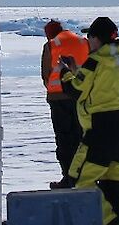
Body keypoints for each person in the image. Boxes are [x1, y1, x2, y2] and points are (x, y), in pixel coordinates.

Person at [59, 16, 119, 225]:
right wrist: (77, 71)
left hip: (102, 130)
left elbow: (75, 90)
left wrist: (64, 73)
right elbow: (98, 84)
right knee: (116, 184)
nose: (87, 42)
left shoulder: (94, 61)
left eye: (89, 37)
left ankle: (110, 220)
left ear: (97, 38)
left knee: (80, 183)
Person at [39, 19, 90, 187]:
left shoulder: (51, 45)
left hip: (58, 99)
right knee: (81, 138)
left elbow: (46, 74)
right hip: (81, 96)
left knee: (64, 140)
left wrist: (52, 87)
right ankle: (85, 176)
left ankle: (68, 178)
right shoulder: (83, 42)